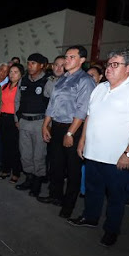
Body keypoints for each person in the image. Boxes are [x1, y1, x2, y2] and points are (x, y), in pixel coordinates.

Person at [70, 49, 129, 247]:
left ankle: (111, 230)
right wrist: (82, 141)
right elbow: (89, 116)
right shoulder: (100, 88)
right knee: (92, 190)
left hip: (117, 158)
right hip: (93, 153)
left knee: (116, 197)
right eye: (109, 64)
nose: (109, 68)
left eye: (116, 64)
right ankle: (90, 218)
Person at [39, 46, 95, 219]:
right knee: (55, 164)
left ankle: (68, 205)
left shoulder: (85, 81)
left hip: (73, 128)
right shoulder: (62, 79)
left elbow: (83, 110)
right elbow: (52, 104)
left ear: (82, 60)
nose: (67, 59)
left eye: (72, 57)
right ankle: (55, 195)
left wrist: (70, 134)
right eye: (66, 56)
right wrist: (45, 125)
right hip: (56, 125)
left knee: (73, 169)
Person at [15, 53, 50, 197]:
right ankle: (29, 178)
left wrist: (48, 125)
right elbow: (17, 101)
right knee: (25, 154)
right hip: (24, 122)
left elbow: (53, 105)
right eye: (29, 63)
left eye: (33, 63)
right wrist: (17, 120)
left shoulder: (48, 82)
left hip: (40, 123)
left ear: (41, 65)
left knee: (39, 155)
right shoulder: (22, 81)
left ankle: (37, 182)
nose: (30, 66)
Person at [0, 63, 23, 183]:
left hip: (15, 120)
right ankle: (6, 169)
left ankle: (16, 172)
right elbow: (0, 104)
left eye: (15, 72)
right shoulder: (4, 87)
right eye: (11, 72)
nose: (12, 74)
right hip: (3, 118)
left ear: (21, 74)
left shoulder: (22, 88)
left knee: (15, 147)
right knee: (5, 145)